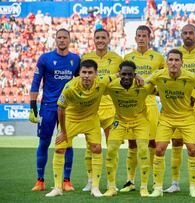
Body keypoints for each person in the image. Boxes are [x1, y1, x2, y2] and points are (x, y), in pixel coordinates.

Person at [45, 59, 115, 197]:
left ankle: (95, 188)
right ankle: (57, 188)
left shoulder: (102, 82)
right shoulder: (70, 87)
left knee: (97, 148)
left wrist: (136, 76)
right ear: (79, 73)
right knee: (59, 148)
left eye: (90, 72)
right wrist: (63, 132)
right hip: (71, 118)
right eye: (84, 72)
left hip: (91, 119)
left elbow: (117, 75)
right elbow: (60, 109)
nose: (86, 75)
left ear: (96, 74)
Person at [147, 49, 195, 198]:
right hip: (167, 118)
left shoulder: (190, 77)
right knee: (159, 150)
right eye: (171, 60)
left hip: (187, 118)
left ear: (182, 63)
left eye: (176, 60)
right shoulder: (158, 76)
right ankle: (158, 188)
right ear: (166, 62)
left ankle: (193, 187)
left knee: (193, 150)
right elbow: (145, 85)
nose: (173, 63)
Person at [29, 28, 80, 192]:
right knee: (43, 142)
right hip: (48, 108)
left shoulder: (75, 59)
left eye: (65, 37)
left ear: (69, 40)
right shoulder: (45, 58)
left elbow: (79, 84)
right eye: (59, 37)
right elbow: (36, 82)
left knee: (68, 144)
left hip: (67, 109)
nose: (62, 40)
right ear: (55, 39)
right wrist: (33, 107)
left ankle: (66, 180)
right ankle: (40, 180)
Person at [165, 24, 195, 194]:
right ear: (180, 35)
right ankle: (175, 183)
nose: (187, 35)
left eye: (190, 33)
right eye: (184, 33)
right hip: (177, 107)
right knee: (176, 142)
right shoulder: (174, 54)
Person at [120, 25, 165, 192]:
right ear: (135, 38)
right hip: (132, 105)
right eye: (138, 35)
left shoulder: (159, 58)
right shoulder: (128, 57)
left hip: (151, 103)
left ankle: (154, 182)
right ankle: (130, 181)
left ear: (149, 37)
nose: (141, 38)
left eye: (144, 35)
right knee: (132, 144)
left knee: (153, 143)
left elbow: (163, 80)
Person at [103, 60, 154, 197]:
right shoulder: (112, 86)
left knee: (143, 150)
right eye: (123, 74)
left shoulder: (143, 86)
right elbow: (97, 85)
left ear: (134, 75)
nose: (126, 77)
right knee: (111, 151)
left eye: (130, 75)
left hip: (140, 121)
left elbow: (160, 89)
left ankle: (144, 187)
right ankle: (111, 187)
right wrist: (114, 76)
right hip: (119, 121)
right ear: (119, 74)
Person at [81, 28, 123, 191]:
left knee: (112, 147)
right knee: (90, 147)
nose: (100, 40)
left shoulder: (117, 59)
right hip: (91, 109)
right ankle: (91, 180)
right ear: (93, 39)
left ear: (108, 39)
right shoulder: (86, 58)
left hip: (111, 108)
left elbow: (123, 80)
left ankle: (111, 182)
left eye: (103, 37)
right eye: (97, 37)